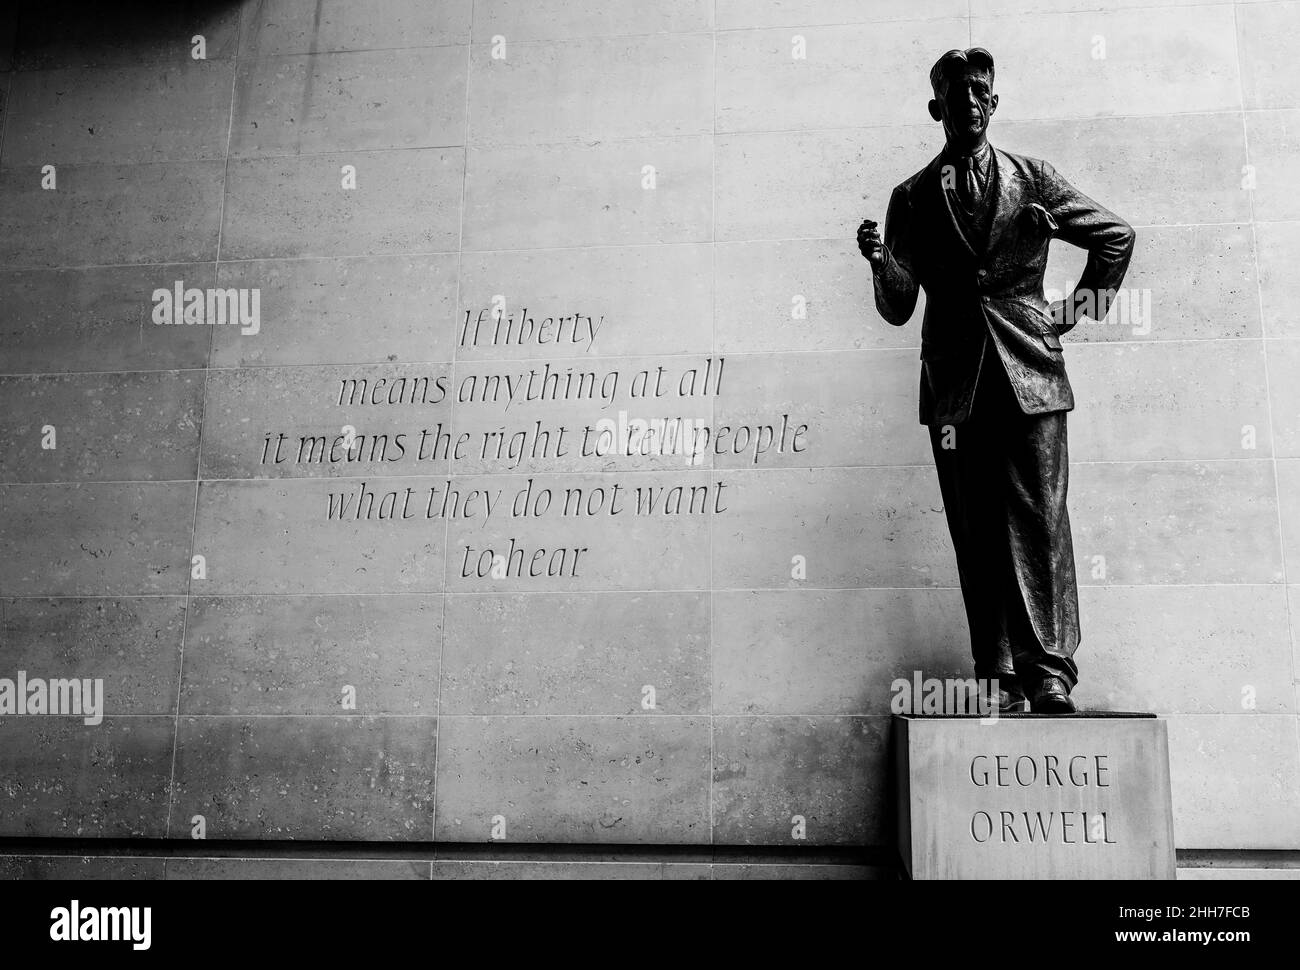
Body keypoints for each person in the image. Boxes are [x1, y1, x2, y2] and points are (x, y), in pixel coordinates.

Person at [857, 48, 1135, 713]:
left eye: (981, 92)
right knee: (976, 531)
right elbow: (899, 307)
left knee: (1039, 519)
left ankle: (1050, 673)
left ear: (994, 103)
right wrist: (880, 264)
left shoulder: (1033, 178)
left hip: (1031, 373)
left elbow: (1116, 237)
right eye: (957, 95)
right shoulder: (912, 198)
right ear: (938, 109)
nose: (971, 103)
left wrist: (1065, 318)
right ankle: (1000, 675)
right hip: (955, 384)